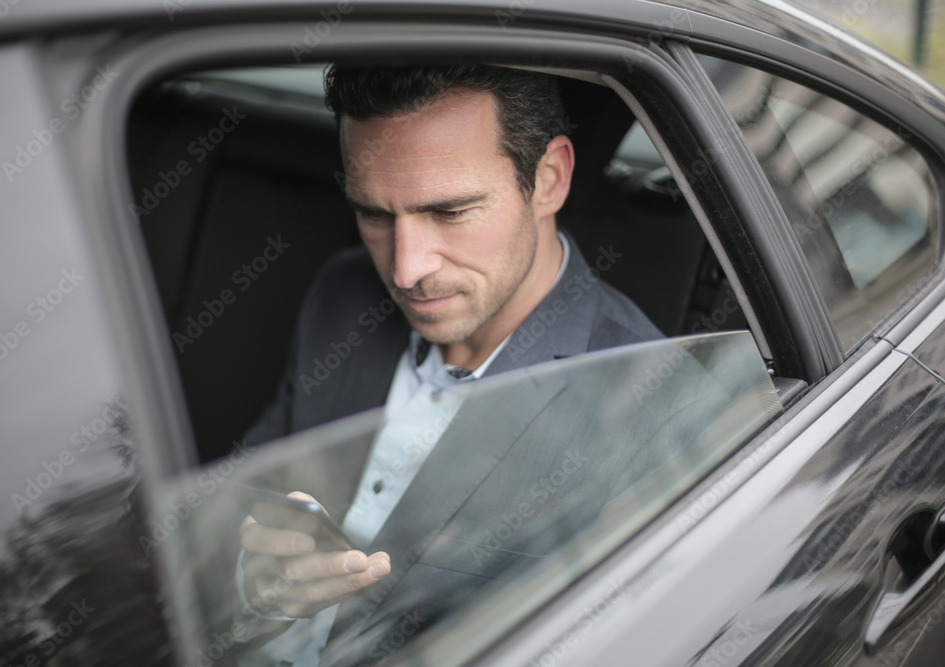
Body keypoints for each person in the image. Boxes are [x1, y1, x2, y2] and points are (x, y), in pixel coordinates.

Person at [235, 63, 663, 665]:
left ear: (548, 179)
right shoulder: (341, 295)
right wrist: (252, 579)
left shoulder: (652, 408)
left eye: (450, 212)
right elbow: (252, 491)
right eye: (375, 214)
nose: (405, 270)